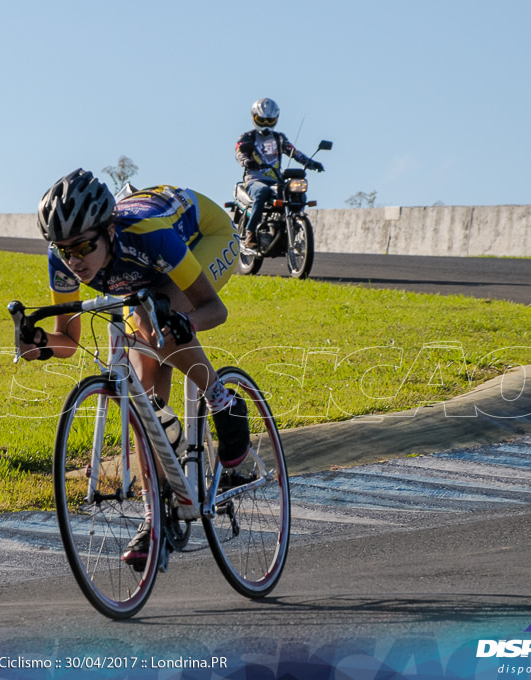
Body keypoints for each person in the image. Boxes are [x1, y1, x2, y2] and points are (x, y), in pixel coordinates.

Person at [20, 168, 250, 566]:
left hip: (204, 236)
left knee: (153, 323)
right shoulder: (63, 257)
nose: (73, 260)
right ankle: (155, 518)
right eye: (63, 250)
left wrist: (186, 323)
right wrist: (39, 345)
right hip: (144, 278)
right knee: (146, 406)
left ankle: (223, 400)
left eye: (82, 247)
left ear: (108, 231)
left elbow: (215, 309)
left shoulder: (146, 234)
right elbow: (69, 341)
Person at [235, 97, 324, 248]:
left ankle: (293, 225)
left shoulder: (279, 138)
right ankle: (250, 233)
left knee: (297, 194)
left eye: (270, 121)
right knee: (262, 191)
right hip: (254, 180)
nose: (266, 124)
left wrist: (311, 162)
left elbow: (294, 153)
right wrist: (246, 161)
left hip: (276, 181)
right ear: (254, 118)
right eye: (262, 120)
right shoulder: (247, 137)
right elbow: (239, 152)